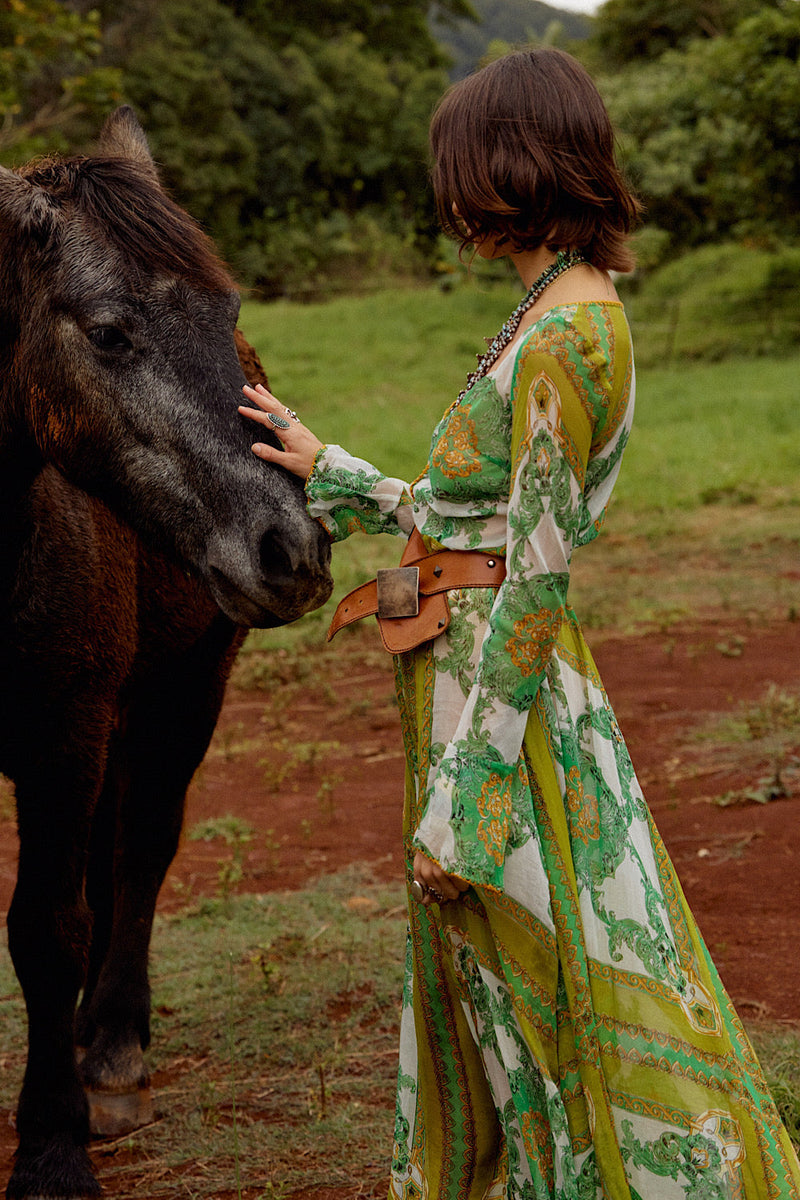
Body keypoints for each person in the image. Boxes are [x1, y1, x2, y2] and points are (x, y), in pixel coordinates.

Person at [239, 47, 800, 1200]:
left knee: (548, 971)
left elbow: (533, 572)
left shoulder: (567, 332)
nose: (452, 207)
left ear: (513, 166)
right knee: (510, 970)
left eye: (461, 177)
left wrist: (473, 794)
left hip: (508, 701)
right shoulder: (547, 308)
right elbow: (486, 526)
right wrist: (331, 466)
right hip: (476, 676)